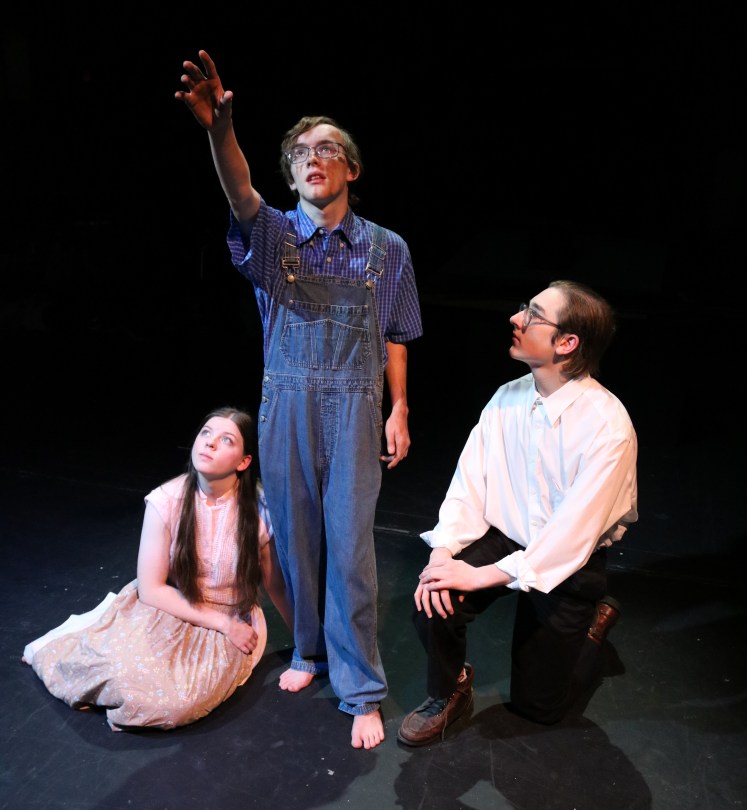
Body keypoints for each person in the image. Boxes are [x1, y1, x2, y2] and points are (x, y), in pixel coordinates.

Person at [175, 50, 423, 750]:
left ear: (351, 169)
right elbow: (239, 194)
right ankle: (310, 651)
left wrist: (399, 408)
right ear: (290, 176)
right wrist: (220, 132)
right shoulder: (275, 237)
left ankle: (360, 688)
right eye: (301, 154)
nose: (314, 159)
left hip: (355, 409)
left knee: (350, 550)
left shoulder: (388, 250)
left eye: (328, 149)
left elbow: (396, 334)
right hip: (286, 406)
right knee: (292, 540)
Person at [397, 280, 638, 747]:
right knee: (434, 598)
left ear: (567, 343)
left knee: (539, 708)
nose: (516, 318)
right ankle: (449, 691)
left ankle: (591, 631)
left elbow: (569, 538)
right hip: (510, 537)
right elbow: (470, 485)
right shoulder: (507, 397)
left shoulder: (609, 428)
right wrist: (443, 555)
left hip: (570, 562)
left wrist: (477, 575)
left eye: (533, 313)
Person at [23, 406, 293, 731]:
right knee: (114, 674)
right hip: (169, 608)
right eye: (206, 433)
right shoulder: (167, 500)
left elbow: (277, 586)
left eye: (226, 440)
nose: (209, 443)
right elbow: (151, 589)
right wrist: (220, 622)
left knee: (172, 705)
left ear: (244, 462)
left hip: (229, 626)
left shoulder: (260, 509)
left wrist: (308, 650)